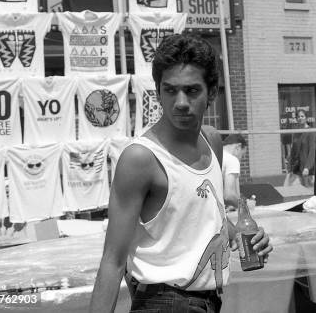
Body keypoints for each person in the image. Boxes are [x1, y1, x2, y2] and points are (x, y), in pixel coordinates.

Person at [89, 34, 272, 313]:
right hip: (163, 302)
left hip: (208, 301)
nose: (181, 102)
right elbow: (112, 260)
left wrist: (242, 236)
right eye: (171, 90)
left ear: (212, 92)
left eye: (192, 90)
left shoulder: (212, 141)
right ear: (158, 91)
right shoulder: (141, 159)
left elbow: (207, 216)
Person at [286, 109, 316, 187]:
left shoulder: (311, 131)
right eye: (298, 116)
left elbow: (312, 151)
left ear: (306, 117)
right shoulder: (296, 133)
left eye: (302, 116)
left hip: (307, 169)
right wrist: (290, 165)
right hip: (297, 168)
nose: (300, 118)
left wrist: (307, 167)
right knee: (290, 187)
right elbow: (293, 150)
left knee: (310, 190)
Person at [222, 134, 247, 210]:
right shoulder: (232, 160)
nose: (240, 158)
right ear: (238, 147)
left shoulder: (213, 155)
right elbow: (228, 195)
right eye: (242, 154)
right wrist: (245, 208)